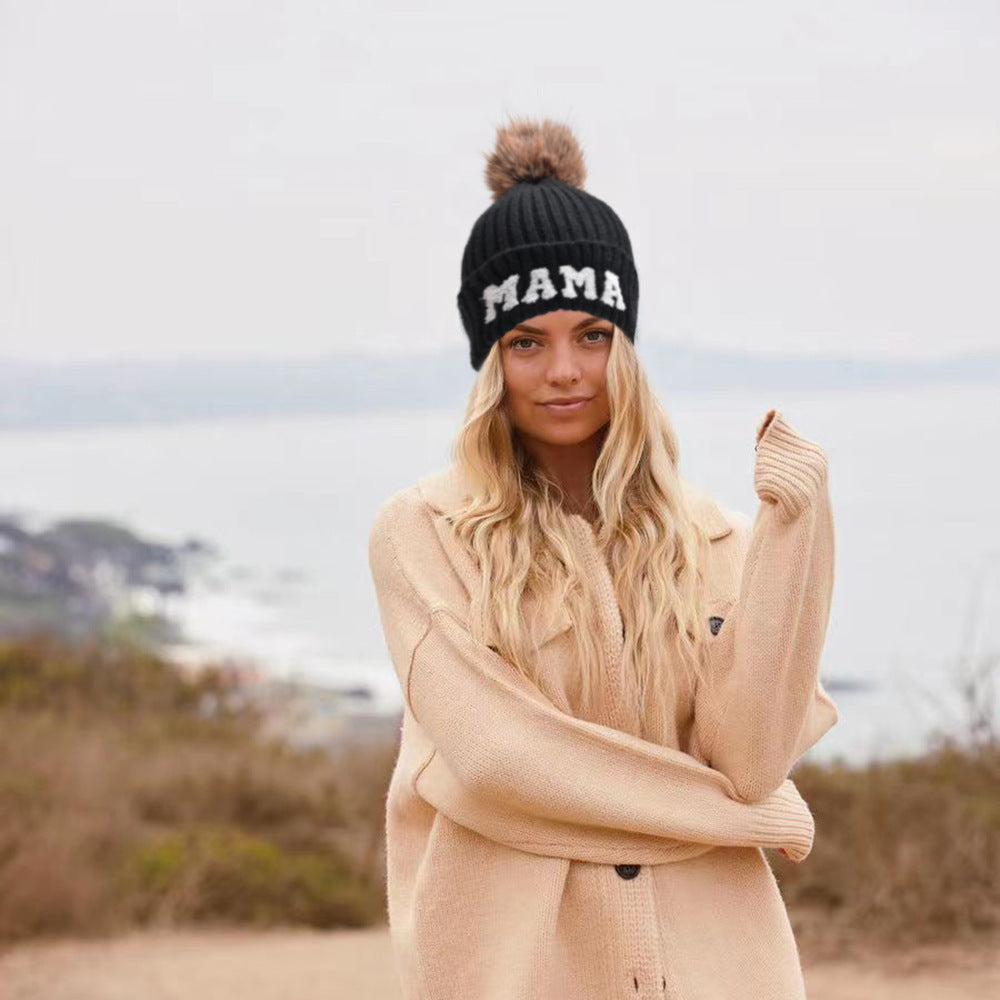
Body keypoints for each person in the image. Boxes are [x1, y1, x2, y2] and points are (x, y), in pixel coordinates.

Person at [368, 114, 838, 1000]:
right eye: (526, 341)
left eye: (591, 334)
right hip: (516, 970)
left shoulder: (717, 540)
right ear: (489, 358)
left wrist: (795, 539)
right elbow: (504, 762)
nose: (563, 371)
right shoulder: (422, 535)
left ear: (626, 345)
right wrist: (735, 820)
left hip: (718, 966)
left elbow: (749, 760)